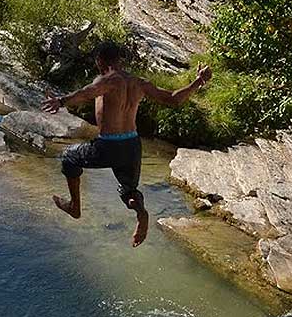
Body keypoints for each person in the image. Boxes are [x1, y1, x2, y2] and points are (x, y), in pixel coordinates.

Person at [41, 42, 212, 247]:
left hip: (108, 146)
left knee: (69, 158)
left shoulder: (108, 80)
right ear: (120, 60)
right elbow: (173, 99)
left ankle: (75, 206)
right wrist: (197, 82)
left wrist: (61, 101)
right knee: (128, 191)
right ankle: (141, 213)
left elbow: (87, 92)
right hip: (132, 145)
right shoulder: (139, 83)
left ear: (100, 61)